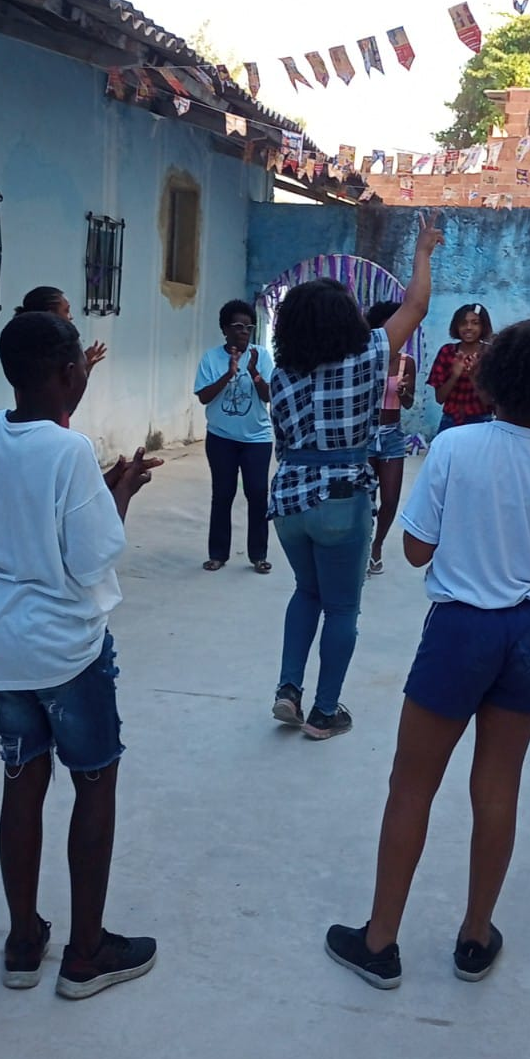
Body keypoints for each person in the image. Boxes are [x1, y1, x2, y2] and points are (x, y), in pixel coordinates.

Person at [325, 319, 530, 988]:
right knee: (498, 788)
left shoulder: (456, 447)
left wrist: (469, 546)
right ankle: (475, 935)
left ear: (490, 376)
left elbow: (415, 550)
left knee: (412, 784)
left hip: (460, 628)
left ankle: (381, 941)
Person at [0, 310, 163, 997]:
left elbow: (28, 527)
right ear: (62, 373)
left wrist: (99, 497)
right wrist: (119, 498)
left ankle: (24, 941)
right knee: (94, 783)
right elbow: (88, 561)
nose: (85, 371)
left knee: (22, 784)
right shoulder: (68, 451)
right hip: (67, 648)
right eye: (79, 362)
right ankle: (86, 954)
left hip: (4, 644)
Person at [269, 216, 444, 740]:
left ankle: (287, 689)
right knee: (342, 605)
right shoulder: (369, 356)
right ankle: (325, 712)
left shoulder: (280, 375)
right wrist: (424, 251)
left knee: (306, 593)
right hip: (342, 497)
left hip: (290, 498)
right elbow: (416, 306)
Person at [195, 300, 274, 573]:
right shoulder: (211, 359)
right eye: (238, 326)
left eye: (248, 327)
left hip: (257, 439)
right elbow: (204, 397)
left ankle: (258, 555)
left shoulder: (261, 356)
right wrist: (228, 374)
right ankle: (218, 554)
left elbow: (268, 396)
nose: (243, 332)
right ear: (225, 329)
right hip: (221, 438)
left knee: (258, 494)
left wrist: (252, 372)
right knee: (223, 494)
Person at [367, 300, 417, 577]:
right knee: (364, 496)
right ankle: (363, 544)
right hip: (365, 433)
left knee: (390, 497)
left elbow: (408, 404)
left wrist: (406, 391)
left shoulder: (407, 362)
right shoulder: (365, 358)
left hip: (392, 434)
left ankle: (376, 545)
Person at [17, 286, 108, 381]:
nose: (71, 317)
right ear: (51, 315)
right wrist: (81, 369)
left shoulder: (21, 344)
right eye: (66, 311)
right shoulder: (51, 353)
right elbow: (65, 392)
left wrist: (83, 368)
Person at [427, 303, 493, 434]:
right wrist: (455, 375)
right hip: (451, 421)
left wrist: (473, 375)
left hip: (481, 422)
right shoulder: (447, 351)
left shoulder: (490, 353)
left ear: (483, 326)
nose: (468, 328)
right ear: (456, 327)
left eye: (475, 323)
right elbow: (440, 399)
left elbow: (489, 401)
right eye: (463, 323)